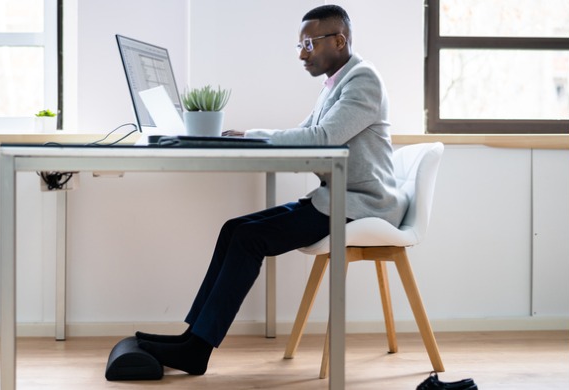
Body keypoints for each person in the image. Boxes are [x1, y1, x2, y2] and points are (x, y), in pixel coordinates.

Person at [135, 4, 408, 376]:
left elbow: (322, 138)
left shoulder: (363, 80)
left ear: (340, 40)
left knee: (249, 238)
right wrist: (248, 138)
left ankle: (196, 350)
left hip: (361, 206)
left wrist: (251, 136)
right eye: (300, 45)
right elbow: (306, 133)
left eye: (309, 44)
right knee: (235, 229)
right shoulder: (334, 85)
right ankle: (191, 338)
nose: (301, 54)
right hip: (338, 197)